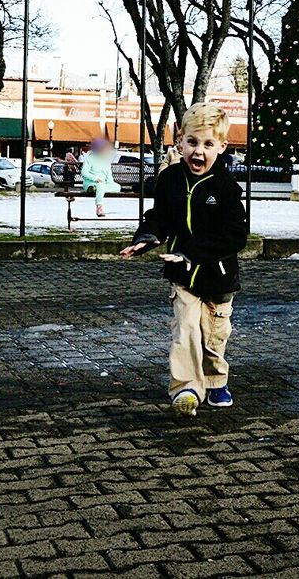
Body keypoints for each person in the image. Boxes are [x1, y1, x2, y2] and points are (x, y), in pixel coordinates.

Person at [119, 102, 248, 417]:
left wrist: (192, 252)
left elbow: (235, 236)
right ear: (179, 141)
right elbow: (159, 217)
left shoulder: (227, 188)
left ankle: (216, 380)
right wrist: (147, 237)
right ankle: (187, 389)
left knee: (214, 338)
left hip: (218, 277)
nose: (198, 152)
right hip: (182, 275)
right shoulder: (170, 180)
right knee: (186, 329)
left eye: (207, 144)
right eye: (192, 142)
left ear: (222, 146)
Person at [80, 137, 120, 217]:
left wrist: (111, 184)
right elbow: (84, 172)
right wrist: (95, 179)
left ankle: (98, 190)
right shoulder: (90, 158)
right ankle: (99, 207)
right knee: (100, 185)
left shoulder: (106, 161)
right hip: (90, 183)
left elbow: (109, 176)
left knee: (117, 187)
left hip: (103, 184)